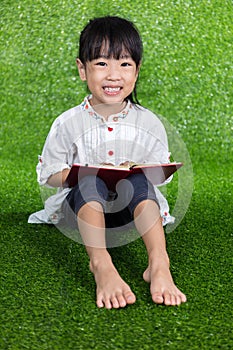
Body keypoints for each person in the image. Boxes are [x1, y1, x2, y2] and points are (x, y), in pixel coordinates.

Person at [28, 16, 187, 309]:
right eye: (101, 63)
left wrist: (133, 168)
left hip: (131, 211)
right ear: (82, 69)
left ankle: (159, 263)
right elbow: (48, 174)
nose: (113, 75)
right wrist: (81, 174)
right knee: (91, 181)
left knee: (137, 180)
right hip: (83, 212)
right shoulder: (67, 123)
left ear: (137, 71)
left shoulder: (148, 122)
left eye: (124, 64)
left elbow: (160, 176)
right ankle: (101, 263)